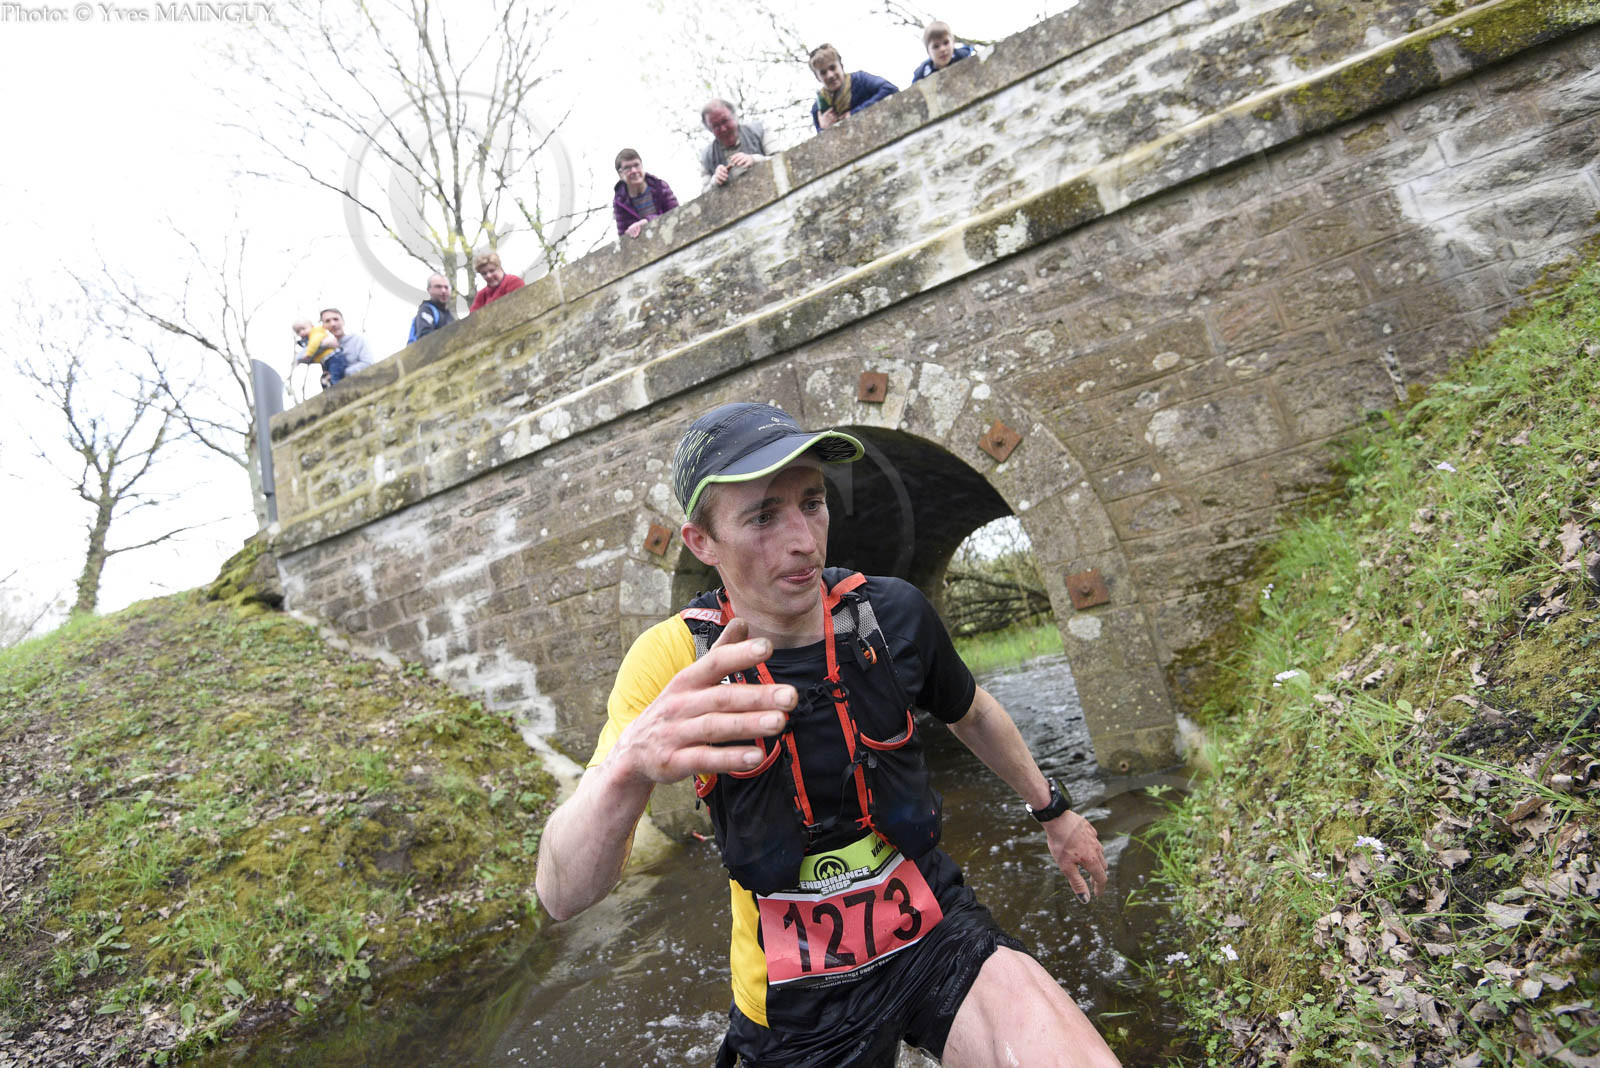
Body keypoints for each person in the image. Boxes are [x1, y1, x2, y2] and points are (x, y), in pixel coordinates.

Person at [535, 402, 1122, 1067]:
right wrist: (627, 766)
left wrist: (1055, 812)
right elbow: (561, 894)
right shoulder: (671, 662)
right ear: (701, 543)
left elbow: (973, 712)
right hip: (792, 1002)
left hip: (934, 933)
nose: (804, 542)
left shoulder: (891, 614)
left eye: (812, 504)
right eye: (763, 517)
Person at [809, 44, 898, 133]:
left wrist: (853, 114)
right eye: (823, 72)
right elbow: (822, 138)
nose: (830, 75)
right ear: (817, 77)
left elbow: (890, 90)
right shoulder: (817, 108)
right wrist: (823, 129)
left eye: (833, 68)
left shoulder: (860, 79)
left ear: (841, 66)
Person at [700, 98, 771, 190]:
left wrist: (755, 159)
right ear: (710, 129)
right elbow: (705, 192)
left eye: (725, 121)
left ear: (735, 117)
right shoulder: (707, 157)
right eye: (716, 126)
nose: (723, 129)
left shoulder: (760, 130)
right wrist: (715, 181)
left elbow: (780, 158)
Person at [612, 149, 680, 238]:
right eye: (627, 168)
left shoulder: (660, 187)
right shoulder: (620, 202)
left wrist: (647, 221)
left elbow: (676, 214)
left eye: (636, 165)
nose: (634, 170)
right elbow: (623, 236)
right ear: (620, 174)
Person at [319, 308, 373, 384]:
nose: (333, 324)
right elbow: (305, 357)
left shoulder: (357, 340)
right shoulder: (322, 348)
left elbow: (368, 363)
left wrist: (340, 373)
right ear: (323, 326)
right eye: (327, 321)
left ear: (343, 321)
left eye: (336, 319)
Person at [912, 21, 976, 83]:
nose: (942, 49)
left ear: (953, 42)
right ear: (928, 52)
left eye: (946, 43)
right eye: (936, 46)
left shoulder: (961, 55)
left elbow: (969, 49)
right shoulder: (923, 72)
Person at [291, 318, 345, 389]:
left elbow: (314, 343)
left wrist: (308, 354)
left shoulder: (315, 333)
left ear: (312, 326)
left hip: (333, 357)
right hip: (326, 361)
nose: (301, 332)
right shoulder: (306, 341)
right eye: (298, 332)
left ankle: (338, 389)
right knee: (327, 377)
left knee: (335, 375)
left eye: (303, 329)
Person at [408, 273, 455, 344]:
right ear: (428, 289)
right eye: (438, 287)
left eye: (446, 287)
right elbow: (425, 337)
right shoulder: (426, 310)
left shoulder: (449, 316)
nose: (443, 291)